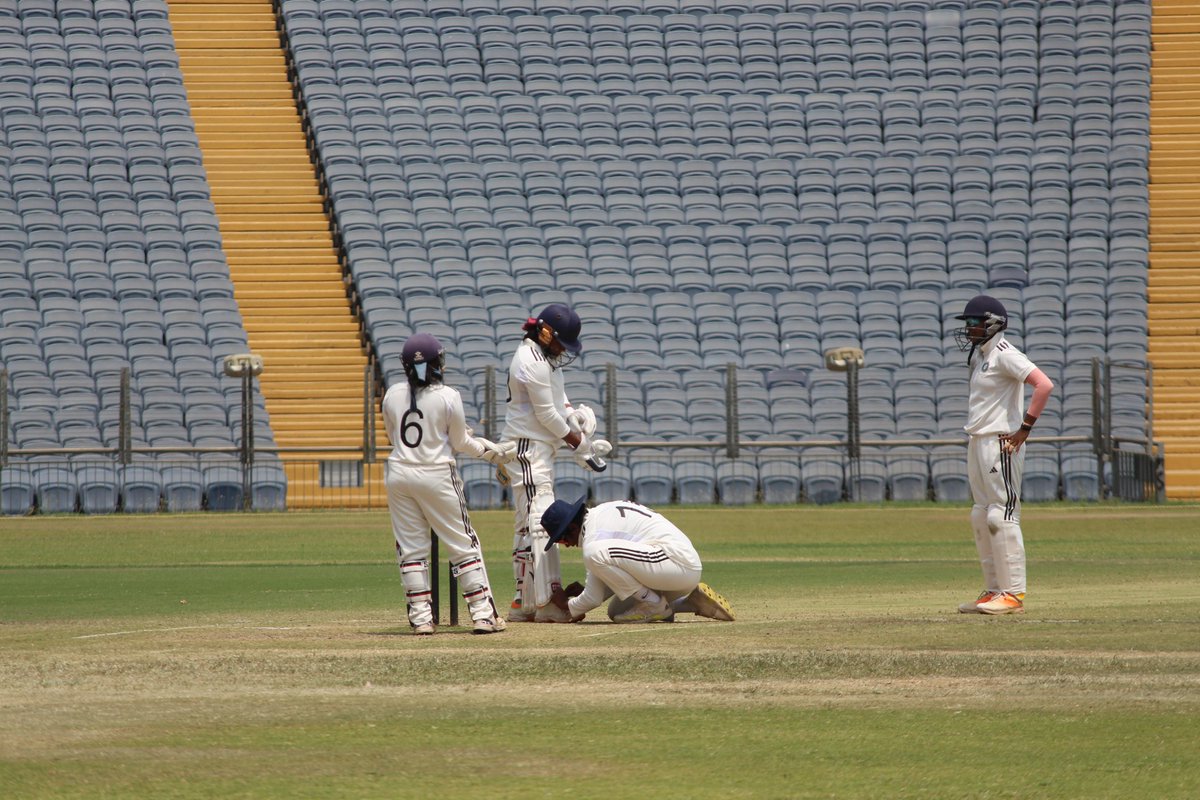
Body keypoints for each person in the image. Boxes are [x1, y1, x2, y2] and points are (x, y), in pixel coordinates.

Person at [381, 333, 515, 635]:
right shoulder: (448, 396)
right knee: (463, 544)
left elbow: (394, 437)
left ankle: (422, 620)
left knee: (412, 550)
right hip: (438, 473)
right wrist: (487, 451)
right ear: (438, 363)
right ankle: (483, 615)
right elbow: (459, 441)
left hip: (399, 472)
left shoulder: (391, 394)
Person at [498, 303, 610, 623]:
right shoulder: (529, 360)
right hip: (529, 449)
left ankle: (524, 602)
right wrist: (580, 446)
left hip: (538, 448)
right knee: (542, 521)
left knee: (525, 527)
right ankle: (547, 600)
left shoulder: (546, 359)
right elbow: (546, 415)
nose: (564, 350)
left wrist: (575, 419)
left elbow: (558, 404)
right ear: (545, 333)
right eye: (561, 342)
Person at [952, 294, 1055, 615]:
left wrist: (1024, 429)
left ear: (993, 324)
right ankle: (994, 590)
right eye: (967, 324)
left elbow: (1044, 385)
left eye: (974, 323)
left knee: (1002, 514)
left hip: (1001, 441)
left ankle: (1013, 594)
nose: (969, 329)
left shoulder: (1005, 354)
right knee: (981, 514)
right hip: (978, 439)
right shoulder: (981, 356)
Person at [539, 496, 735, 624]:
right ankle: (691, 602)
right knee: (617, 613)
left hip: (675, 562)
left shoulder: (594, 541)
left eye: (562, 538)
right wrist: (580, 597)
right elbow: (596, 593)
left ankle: (654, 604)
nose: (565, 545)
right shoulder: (599, 517)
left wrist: (565, 605)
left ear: (572, 528)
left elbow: (592, 593)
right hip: (674, 571)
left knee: (593, 554)